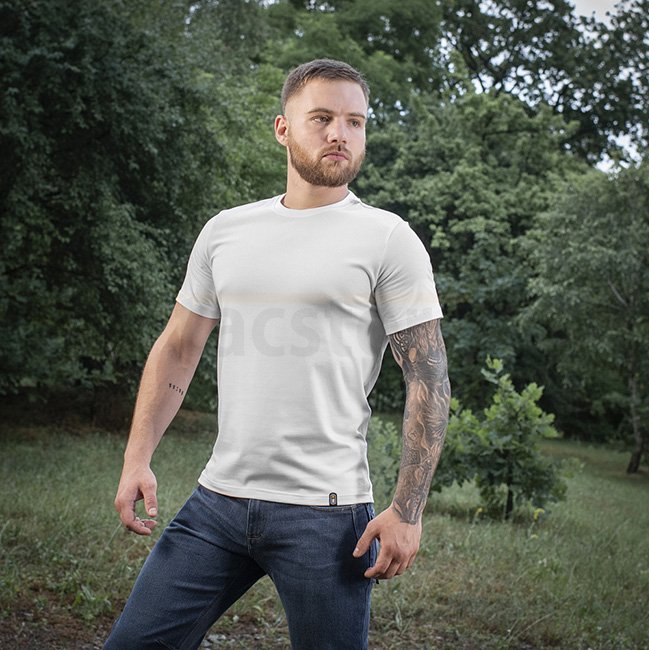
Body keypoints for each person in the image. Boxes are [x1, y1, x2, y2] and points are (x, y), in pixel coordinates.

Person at [104, 58, 450, 650]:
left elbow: (429, 377)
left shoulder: (388, 239)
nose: (340, 133)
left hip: (328, 515)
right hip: (218, 501)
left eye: (355, 121)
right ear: (283, 129)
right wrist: (138, 458)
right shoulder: (226, 231)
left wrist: (408, 510)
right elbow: (179, 346)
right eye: (322, 118)